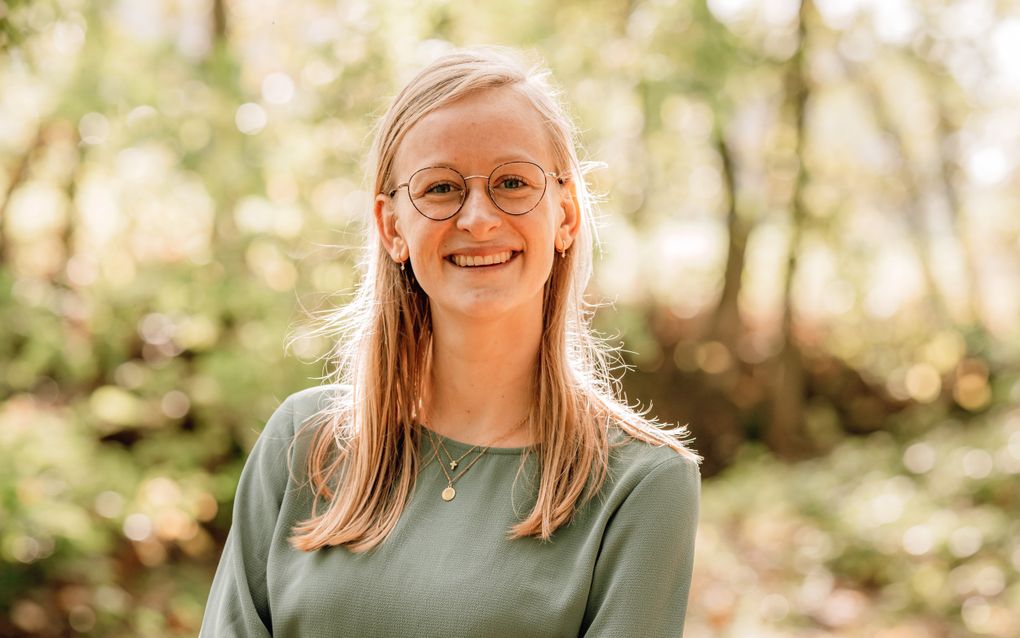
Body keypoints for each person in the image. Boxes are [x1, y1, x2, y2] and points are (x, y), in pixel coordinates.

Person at [200, 46, 701, 638]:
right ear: (392, 228)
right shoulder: (302, 442)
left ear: (566, 215)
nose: (479, 218)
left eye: (513, 182)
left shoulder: (641, 484)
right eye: (440, 189)